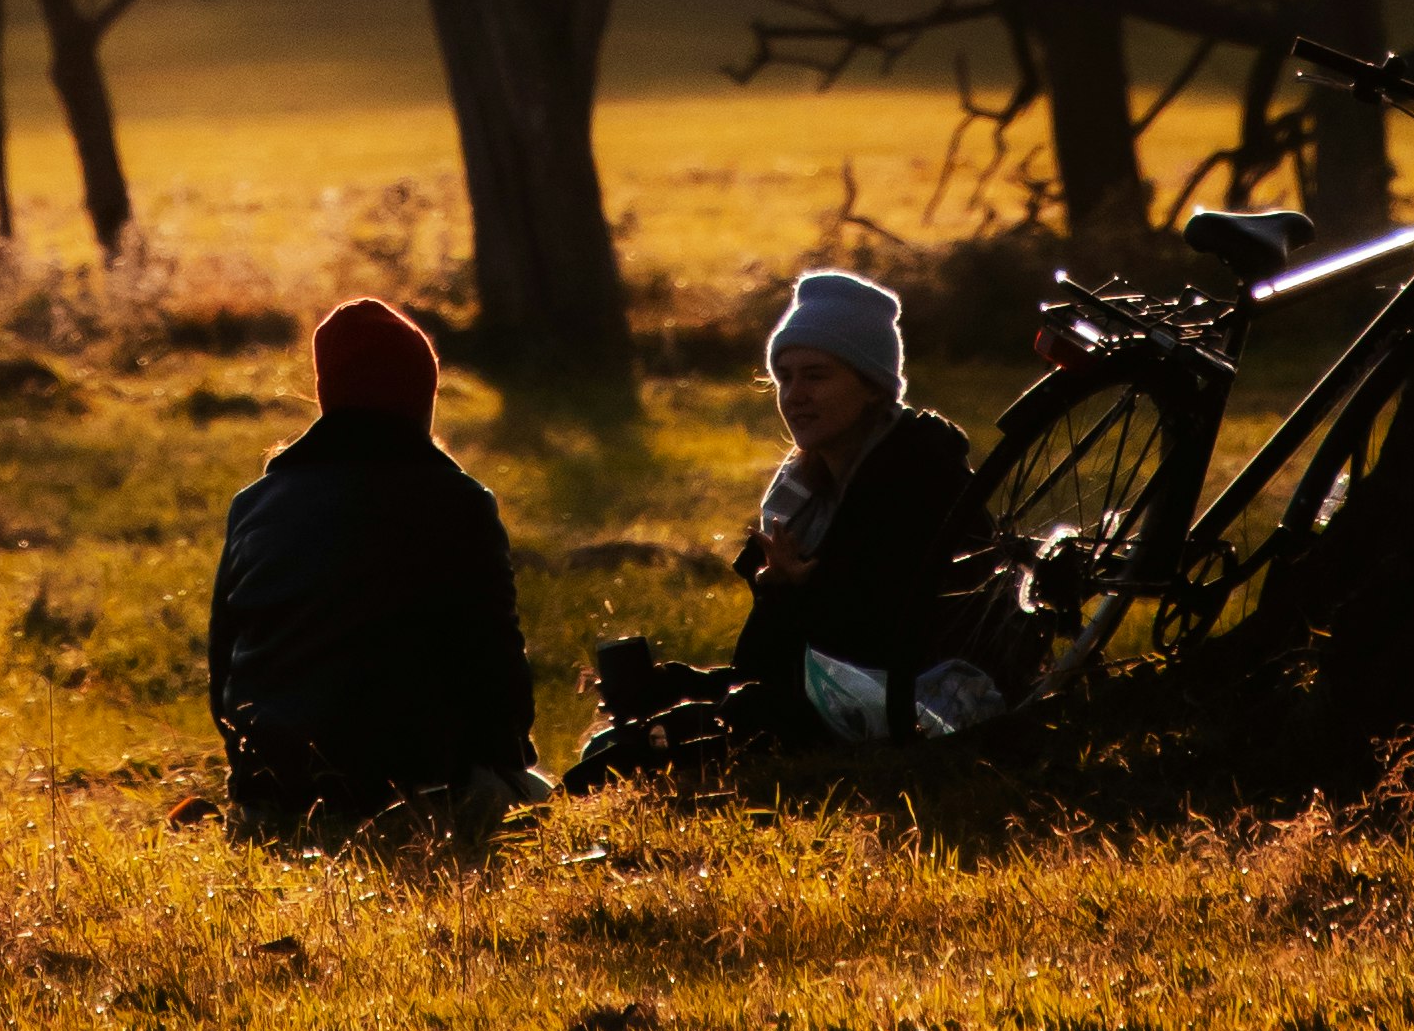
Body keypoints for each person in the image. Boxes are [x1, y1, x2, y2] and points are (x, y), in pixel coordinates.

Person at [571, 267, 988, 779]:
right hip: (824, 703)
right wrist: (684, 682)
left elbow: (868, 650)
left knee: (631, 758)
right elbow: (774, 667)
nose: (795, 395)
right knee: (632, 725)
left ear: (873, 388)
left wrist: (793, 593)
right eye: (784, 378)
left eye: (816, 376)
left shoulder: (915, 479)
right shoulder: (803, 495)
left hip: (911, 710)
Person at [206, 294, 539, 834]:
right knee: (542, 801)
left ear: (329, 395)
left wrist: (257, 779)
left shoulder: (253, 505)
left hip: (271, 803)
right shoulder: (457, 503)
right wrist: (506, 773)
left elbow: (223, 670)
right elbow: (497, 671)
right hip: (411, 801)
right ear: (418, 399)